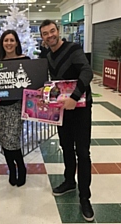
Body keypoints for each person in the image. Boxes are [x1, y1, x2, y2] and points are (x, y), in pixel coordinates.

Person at [40, 19, 94, 222]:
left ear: (58, 31)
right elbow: (50, 81)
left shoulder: (73, 49)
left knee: (82, 152)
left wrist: (74, 96)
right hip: (62, 111)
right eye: (45, 33)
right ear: (42, 37)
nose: (50, 35)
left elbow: (87, 72)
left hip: (80, 109)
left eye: (52, 31)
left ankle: (85, 197)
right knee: (66, 147)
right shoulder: (46, 54)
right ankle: (70, 180)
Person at [0, 30, 29, 187]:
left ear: (17, 43)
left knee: (12, 141)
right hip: (0, 109)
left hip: (15, 107)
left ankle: (21, 167)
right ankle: (12, 170)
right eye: (6, 40)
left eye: (12, 40)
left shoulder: (25, 60)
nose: (9, 43)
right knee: (3, 141)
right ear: (2, 43)